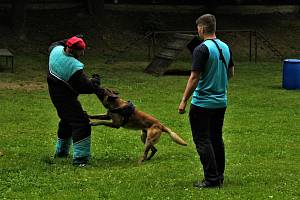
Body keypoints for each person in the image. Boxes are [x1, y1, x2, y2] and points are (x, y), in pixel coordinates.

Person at [178, 14, 234, 188]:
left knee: (202, 139)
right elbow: (231, 73)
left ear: (201, 28)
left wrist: (183, 101)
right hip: (221, 102)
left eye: (198, 29)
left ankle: (211, 179)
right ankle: (219, 175)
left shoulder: (201, 49)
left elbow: (194, 77)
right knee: (216, 138)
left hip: (202, 103)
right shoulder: (225, 47)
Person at [47, 35, 101, 166]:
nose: (83, 53)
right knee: (81, 123)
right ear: (71, 50)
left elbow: (58, 41)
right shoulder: (73, 67)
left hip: (55, 94)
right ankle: (80, 160)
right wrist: (95, 81)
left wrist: (76, 38)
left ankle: (61, 153)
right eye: (80, 51)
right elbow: (86, 87)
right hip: (65, 98)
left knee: (67, 121)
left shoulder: (55, 50)